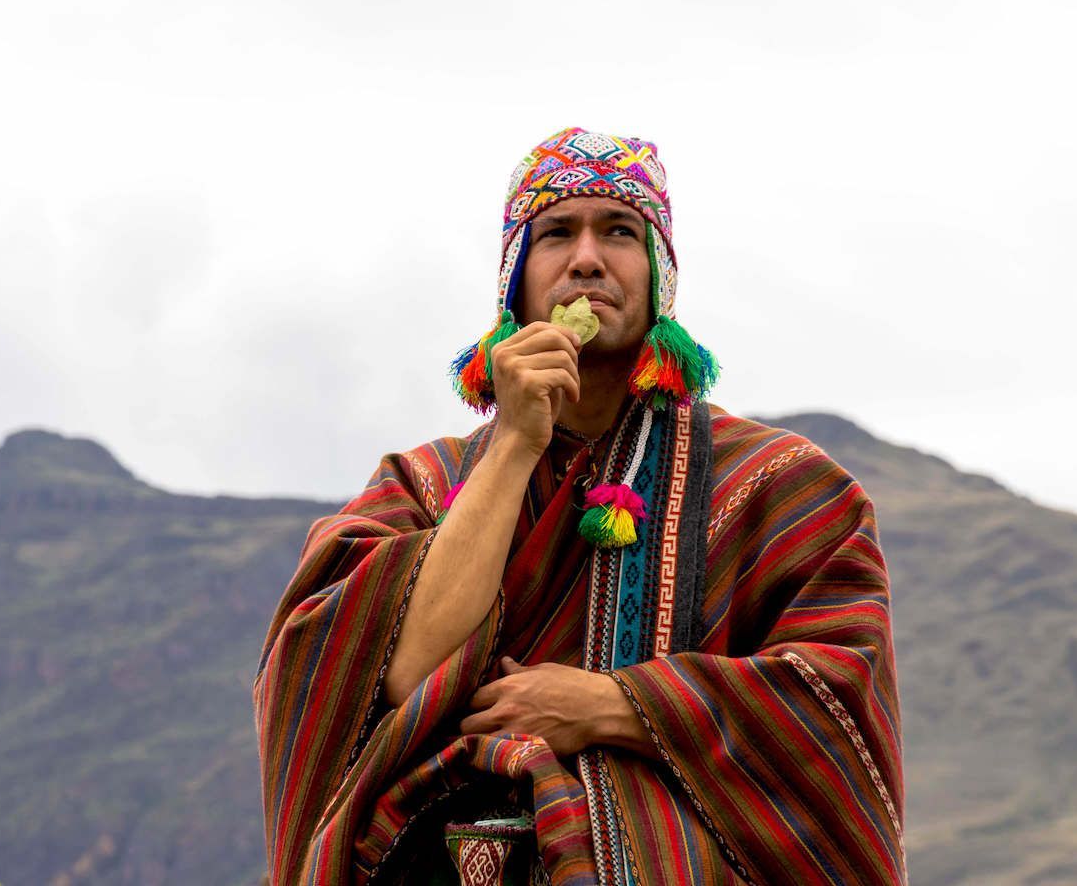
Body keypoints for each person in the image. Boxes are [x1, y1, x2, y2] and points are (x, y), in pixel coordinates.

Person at [253, 128, 906, 885]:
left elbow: (829, 707)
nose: (587, 257)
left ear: (660, 276)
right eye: (556, 233)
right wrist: (513, 447)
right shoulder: (416, 485)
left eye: (620, 232)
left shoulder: (783, 489)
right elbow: (392, 676)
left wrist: (613, 704)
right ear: (516, 282)